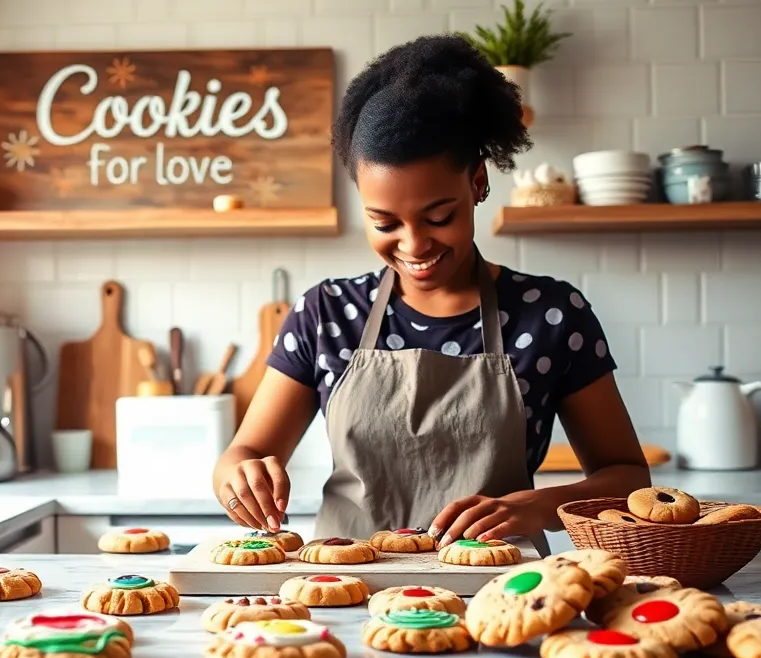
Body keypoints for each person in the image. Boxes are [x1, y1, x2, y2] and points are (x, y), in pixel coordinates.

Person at [210, 34, 651, 553]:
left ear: (478, 183)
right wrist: (239, 476)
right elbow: (245, 452)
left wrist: (535, 506)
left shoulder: (552, 315)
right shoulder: (325, 314)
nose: (415, 244)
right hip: (349, 588)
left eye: (439, 216)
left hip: (503, 592)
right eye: (385, 221)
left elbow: (628, 480)